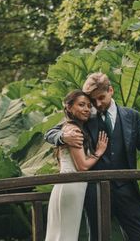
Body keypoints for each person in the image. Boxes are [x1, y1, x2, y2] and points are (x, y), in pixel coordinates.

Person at [45, 72, 140, 241]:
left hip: (126, 189)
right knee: (98, 238)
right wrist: (62, 138)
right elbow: (51, 132)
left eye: (101, 97)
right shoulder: (86, 115)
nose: (97, 104)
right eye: (92, 100)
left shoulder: (131, 116)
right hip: (95, 191)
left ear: (111, 90)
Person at [45, 90, 108, 241]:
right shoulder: (73, 130)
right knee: (67, 235)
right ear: (69, 107)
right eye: (81, 105)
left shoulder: (68, 128)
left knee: (58, 234)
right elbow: (82, 167)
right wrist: (98, 152)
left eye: (88, 105)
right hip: (72, 185)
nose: (87, 109)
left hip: (67, 185)